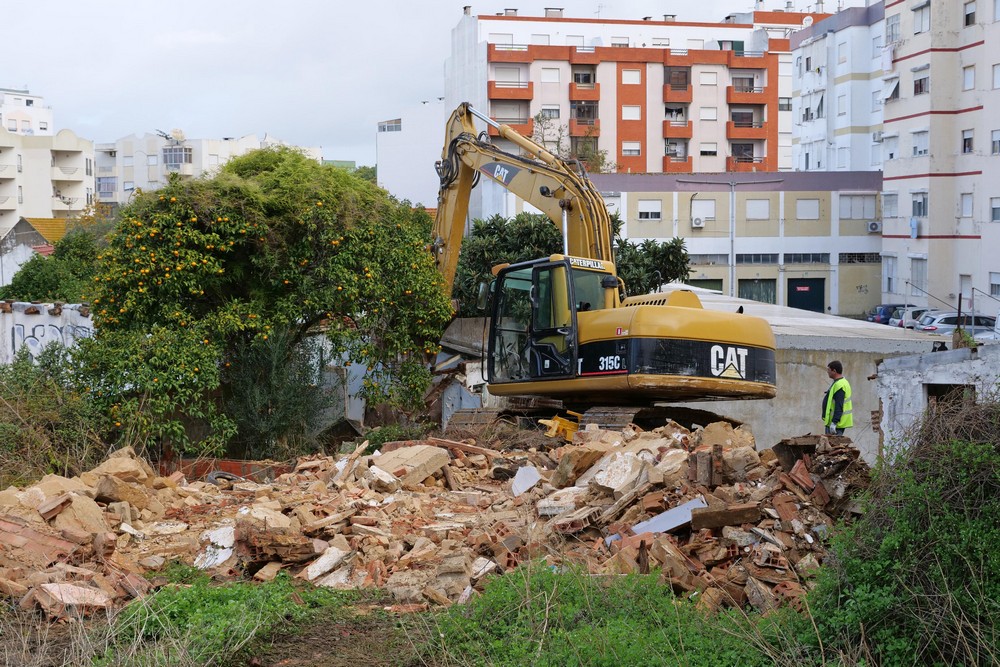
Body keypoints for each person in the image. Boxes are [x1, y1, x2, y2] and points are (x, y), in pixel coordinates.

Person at [822, 360, 852, 435]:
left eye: (829, 370)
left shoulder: (840, 385)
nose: (827, 372)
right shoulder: (839, 382)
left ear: (834, 371)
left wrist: (834, 423)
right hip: (834, 423)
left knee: (833, 446)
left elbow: (839, 405)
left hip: (836, 425)